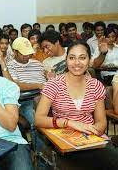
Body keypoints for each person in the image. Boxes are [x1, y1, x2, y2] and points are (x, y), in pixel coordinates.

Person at [35, 41, 118, 169]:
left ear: (89, 60)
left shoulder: (95, 85)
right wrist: (69, 123)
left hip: (92, 139)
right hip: (64, 141)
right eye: (72, 58)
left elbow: (101, 121)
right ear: (66, 60)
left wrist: (90, 134)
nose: (77, 63)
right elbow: (39, 119)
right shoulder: (54, 84)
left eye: (82, 58)